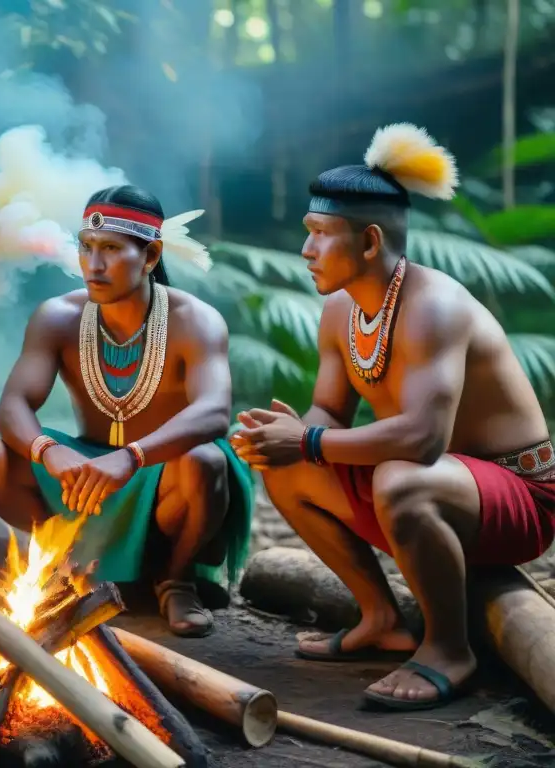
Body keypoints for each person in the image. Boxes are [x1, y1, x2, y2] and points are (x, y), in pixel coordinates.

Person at [231, 123, 555, 711]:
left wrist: (306, 440)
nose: (305, 249)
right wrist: (284, 439)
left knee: (400, 477)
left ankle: (448, 650)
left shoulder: (434, 307)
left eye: (320, 234)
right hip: (433, 485)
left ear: (370, 242)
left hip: (518, 498)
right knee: (289, 471)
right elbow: (328, 412)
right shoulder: (339, 311)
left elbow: (423, 440)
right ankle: (381, 618)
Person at [0, 184, 254, 638]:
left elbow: (213, 413)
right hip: (88, 471)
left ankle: (175, 579)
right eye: (86, 248)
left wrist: (131, 457)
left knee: (206, 460)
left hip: (163, 471)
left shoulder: (195, 320)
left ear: (150, 256)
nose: (94, 264)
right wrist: (48, 451)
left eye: (110, 249)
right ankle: (73, 567)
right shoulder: (58, 317)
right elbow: (14, 405)